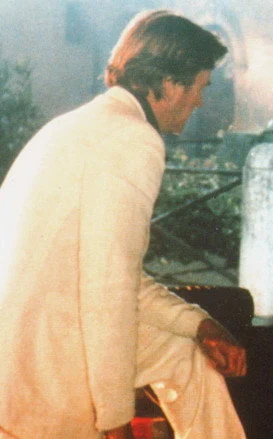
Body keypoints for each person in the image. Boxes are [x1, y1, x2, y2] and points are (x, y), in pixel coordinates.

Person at [0, 10, 247, 439]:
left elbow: (116, 276)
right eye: (201, 86)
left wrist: (200, 324)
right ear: (170, 83)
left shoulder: (75, 125)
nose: (200, 102)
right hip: (43, 374)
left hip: (21, 350)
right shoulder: (134, 139)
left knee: (187, 352)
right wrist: (116, 421)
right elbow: (107, 291)